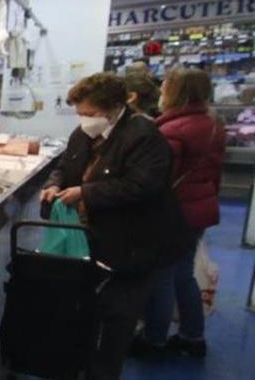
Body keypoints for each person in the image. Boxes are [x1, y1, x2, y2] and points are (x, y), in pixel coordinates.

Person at [41, 73, 187, 379]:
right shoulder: (82, 135)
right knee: (84, 318)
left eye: (91, 114)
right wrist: (55, 186)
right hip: (92, 244)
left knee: (114, 327)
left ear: (115, 108)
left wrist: (85, 193)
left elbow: (141, 185)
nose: (84, 120)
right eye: (80, 113)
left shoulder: (144, 136)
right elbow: (64, 167)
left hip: (133, 249)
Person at [136, 68, 225, 358]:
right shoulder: (213, 124)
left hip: (173, 213)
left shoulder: (172, 129)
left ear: (175, 92)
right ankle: (192, 335)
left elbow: (159, 179)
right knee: (183, 274)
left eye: (165, 88)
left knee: (162, 276)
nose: (161, 93)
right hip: (200, 207)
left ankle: (154, 339)